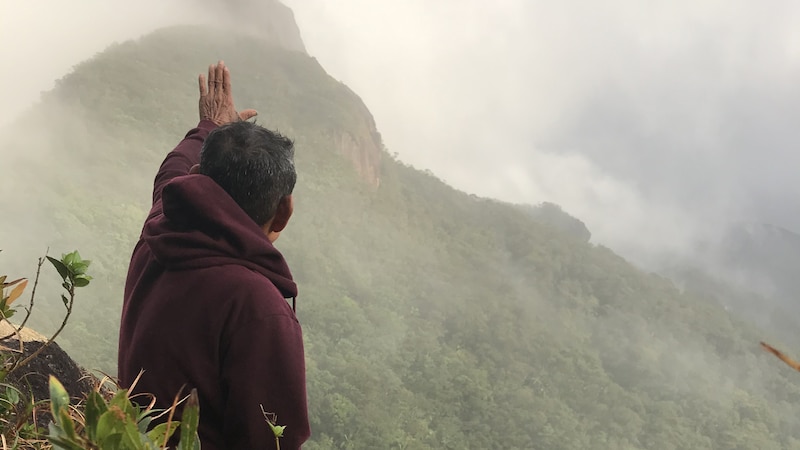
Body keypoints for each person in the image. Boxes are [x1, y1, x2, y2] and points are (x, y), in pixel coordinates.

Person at [118, 61, 310, 449]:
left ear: (197, 175)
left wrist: (209, 127)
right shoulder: (257, 308)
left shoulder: (163, 228)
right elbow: (272, 441)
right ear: (285, 211)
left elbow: (170, 175)